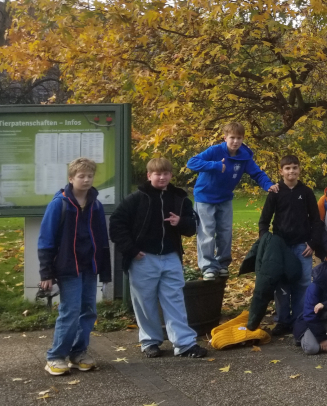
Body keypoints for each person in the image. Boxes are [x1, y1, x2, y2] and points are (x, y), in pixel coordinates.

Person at [110, 158, 208, 358]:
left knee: (175, 300)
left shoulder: (180, 199)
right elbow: (117, 224)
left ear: (171, 175)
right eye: (157, 174)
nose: (162, 177)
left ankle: (184, 344)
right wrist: (131, 249)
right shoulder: (136, 199)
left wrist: (180, 222)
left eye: (165, 173)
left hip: (171, 257)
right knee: (145, 302)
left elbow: (192, 227)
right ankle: (150, 342)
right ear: (149, 176)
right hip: (143, 258)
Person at [39, 158, 111, 375]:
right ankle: (55, 356)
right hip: (68, 266)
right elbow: (46, 240)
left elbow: (101, 238)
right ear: (71, 179)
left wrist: (104, 269)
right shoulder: (59, 204)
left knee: (88, 310)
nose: (86, 180)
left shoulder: (96, 204)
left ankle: (78, 353)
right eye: (81, 176)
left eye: (90, 176)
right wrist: (46, 272)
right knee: (70, 311)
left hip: (89, 265)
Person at [187, 122, 275, 281]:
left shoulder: (244, 156)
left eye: (239, 138)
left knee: (225, 232)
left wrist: (268, 185)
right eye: (232, 138)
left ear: (243, 139)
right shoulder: (215, 151)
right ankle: (208, 267)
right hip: (205, 197)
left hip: (225, 198)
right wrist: (213, 165)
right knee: (207, 233)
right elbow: (192, 162)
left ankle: (222, 265)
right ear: (225, 137)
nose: (235, 141)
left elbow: (257, 173)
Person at [258, 155, 321, 336]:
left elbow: (316, 220)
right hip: (281, 247)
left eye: (294, 167)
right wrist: (266, 240)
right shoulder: (275, 192)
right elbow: (264, 221)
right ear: (281, 171)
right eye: (287, 168)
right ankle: (283, 320)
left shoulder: (306, 192)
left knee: (302, 283)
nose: (291, 171)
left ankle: (299, 319)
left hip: (303, 246)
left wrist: (313, 242)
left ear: (299, 170)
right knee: (282, 284)